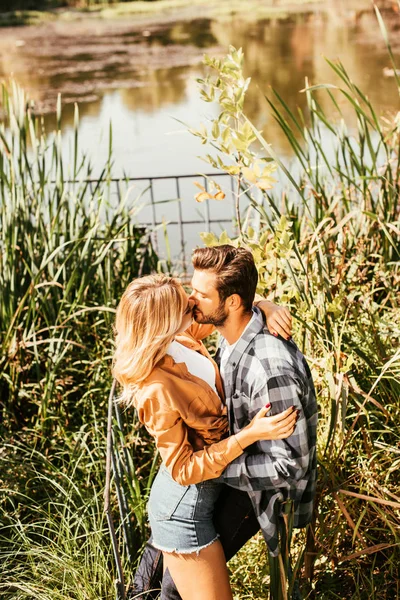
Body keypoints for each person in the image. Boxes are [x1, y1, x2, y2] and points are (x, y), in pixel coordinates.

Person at [132, 245, 318, 600]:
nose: (190, 301)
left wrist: (262, 303)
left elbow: (291, 465)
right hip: (190, 485)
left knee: (168, 590)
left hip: (238, 487)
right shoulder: (185, 343)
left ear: (232, 302)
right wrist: (240, 442)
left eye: (199, 294)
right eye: (190, 293)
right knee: (153, 586)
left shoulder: (266, 366)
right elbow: (185, 467)